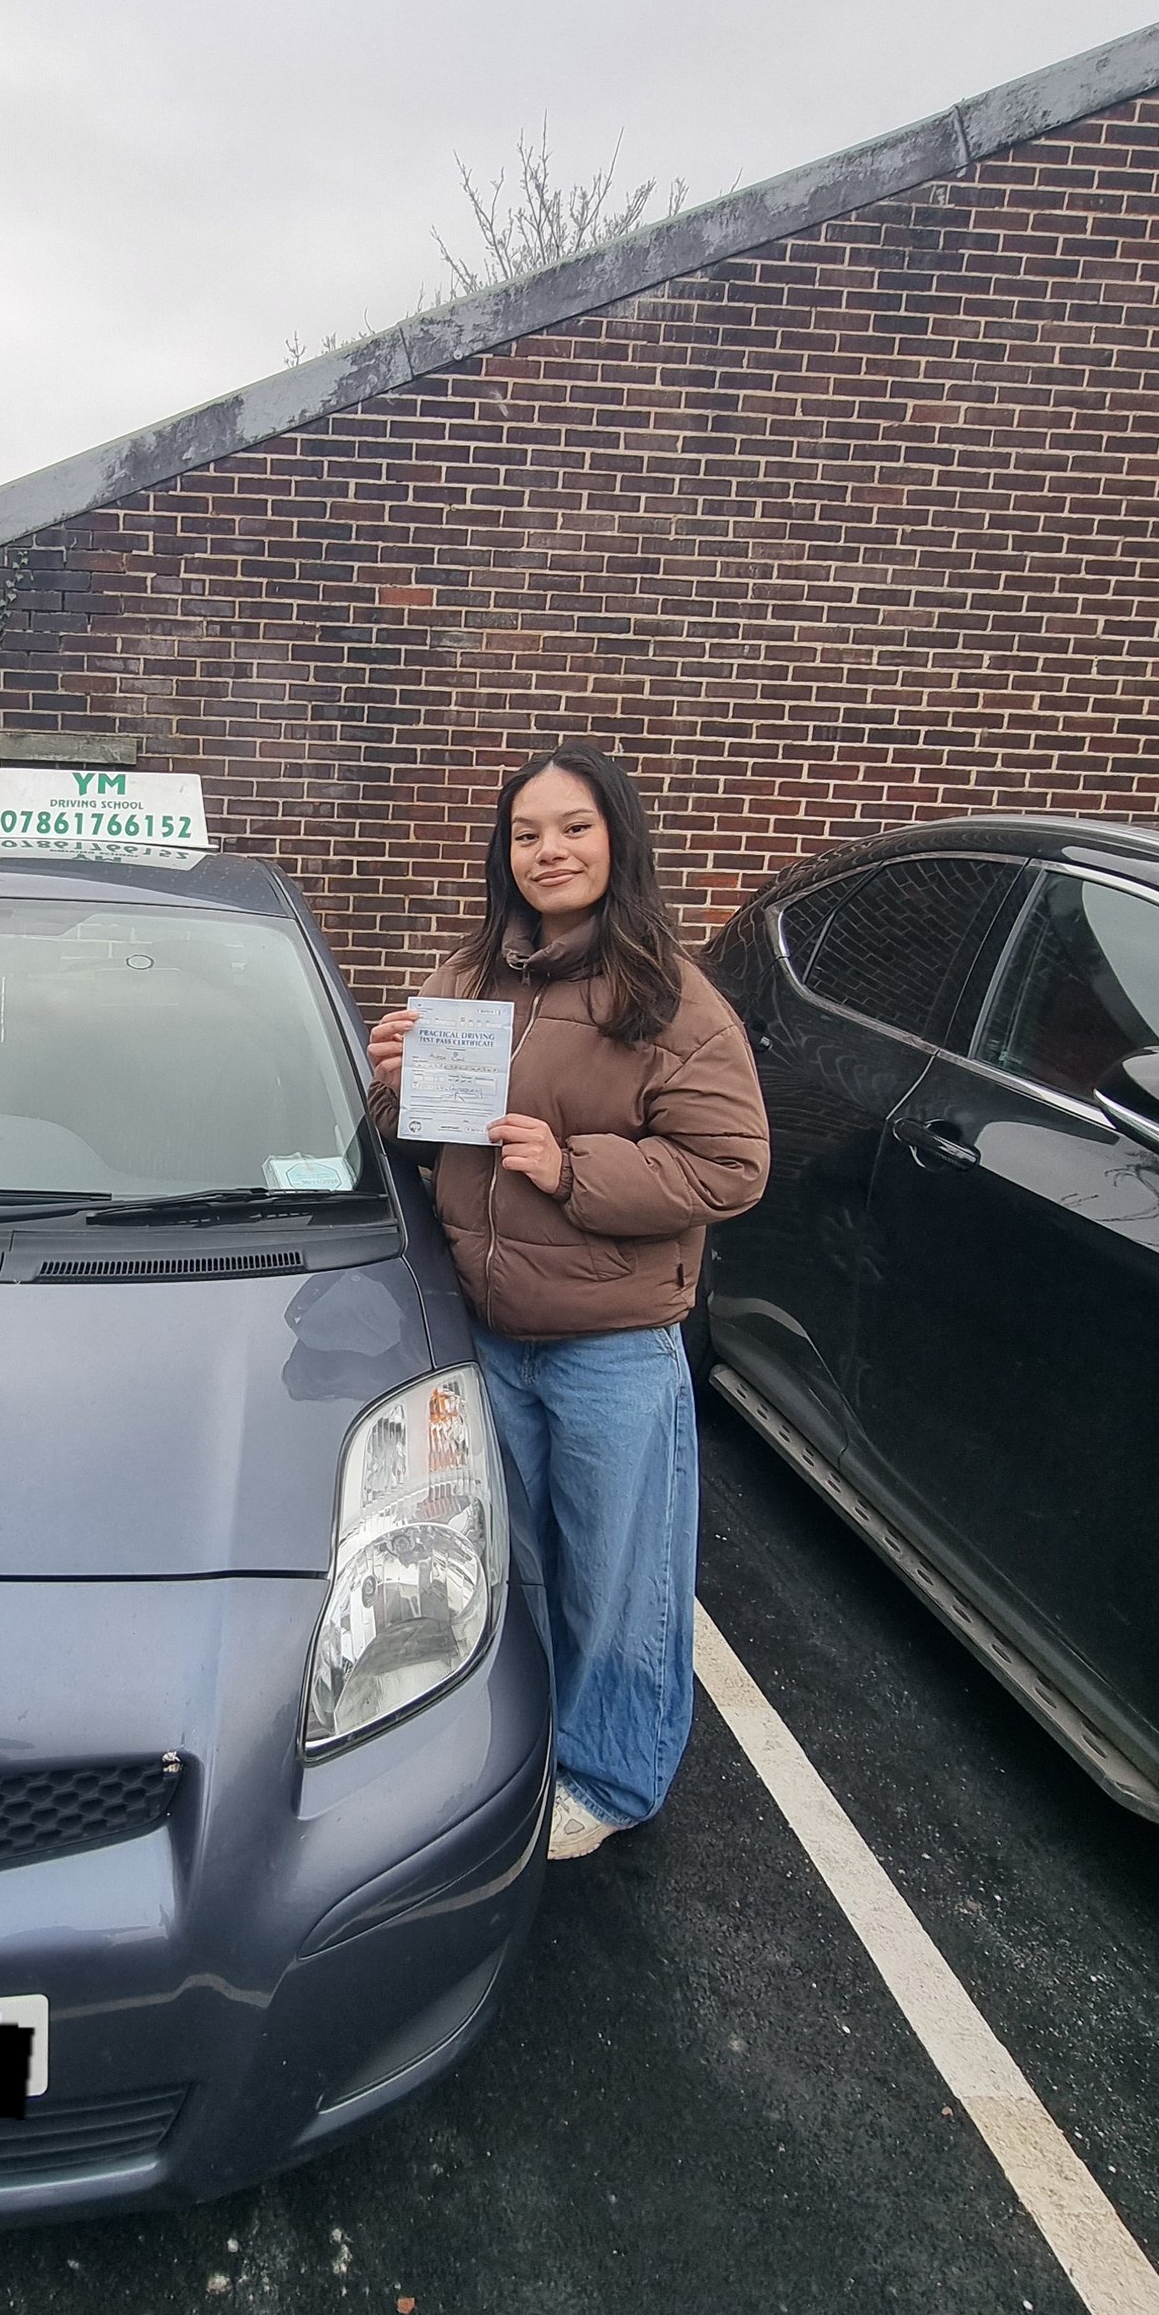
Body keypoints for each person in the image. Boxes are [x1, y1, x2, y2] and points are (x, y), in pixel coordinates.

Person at [365, 743, 769, 1859]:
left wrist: (571, 1164)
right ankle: (530, 1747)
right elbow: (415, 1141)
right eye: (527, 832)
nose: (548, 850)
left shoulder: (671, 1000)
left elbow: (731, 1169)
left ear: (616, 840)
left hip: (610, 1346)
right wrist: (392, 1080)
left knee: (620, 1578)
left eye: (573, 827)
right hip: (488, 1334)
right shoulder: (467, 978)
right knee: (519, 1562)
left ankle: (610, 1776)